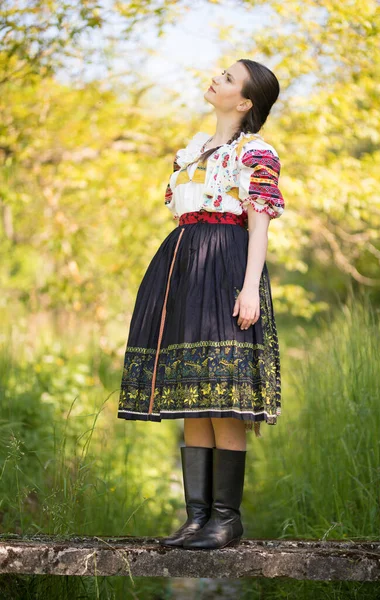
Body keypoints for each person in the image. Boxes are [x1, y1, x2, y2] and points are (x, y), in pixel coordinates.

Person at [117, 59, 285, 550]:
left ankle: (226, 519)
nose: (217, 79)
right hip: (183, 267)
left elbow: (259, 222)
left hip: (228, 265)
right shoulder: (190, 152)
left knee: (223, 390)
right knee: (194, 390)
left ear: (246, 101)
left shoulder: (256, 152)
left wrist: (250, 286)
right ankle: (196, 519)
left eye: (229, 79)